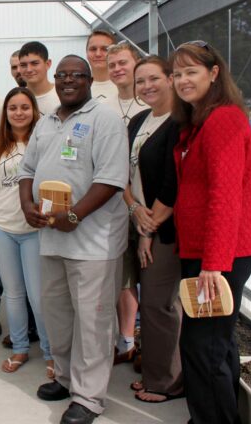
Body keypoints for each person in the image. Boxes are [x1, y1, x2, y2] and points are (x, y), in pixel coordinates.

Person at [19, 55, 128, 424]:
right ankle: (65, 379)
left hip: (94, 243)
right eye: (61, 75)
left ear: (89, 80)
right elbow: (27, 170)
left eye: (75, 75)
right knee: (59, 316)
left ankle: (89, 398)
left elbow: (112, 180)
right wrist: (27, 205)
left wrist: (76, 215)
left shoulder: (105, 119)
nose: (67, 81)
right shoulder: (46, 121)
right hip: (52, 237)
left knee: (93, 323)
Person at [171, 41, 251, 424]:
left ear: (214, 73)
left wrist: (214, 264)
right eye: (177, 73)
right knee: (215, 346)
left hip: (218, 257)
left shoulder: (223, 119)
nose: (182, 80)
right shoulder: (199, 121)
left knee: (202, 347)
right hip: (206, 252)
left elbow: (225, 194)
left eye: (191, 72)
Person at [0, 87, 54, 376]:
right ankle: (20, 347)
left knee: (38, 296)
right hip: (3, 230)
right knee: (13, 294)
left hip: (34, 232)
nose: (19, 113)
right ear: (5, 113)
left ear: (34, 111)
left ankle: (50, 353)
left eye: (24, 107)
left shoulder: (44, 145)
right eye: (13, 108)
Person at [122, 56, 183, 403]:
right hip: (140, 220)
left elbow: (175, 183)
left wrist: (149, 228)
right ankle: (154, 373)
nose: (146, 86)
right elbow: (123, 174)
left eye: (153, 79)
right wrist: (133, 209)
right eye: (140, 81)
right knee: (151, 305)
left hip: (164, 228)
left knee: (160, 304)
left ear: (170, 78)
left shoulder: (179, 122)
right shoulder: (139, 120)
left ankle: (167, 381)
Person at [106, 40, 150, 366]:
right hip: (118, 206)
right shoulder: (105, 105)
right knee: (124, 279)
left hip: (150, 209)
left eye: (123, 63)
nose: (118, 69)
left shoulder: (150, 106)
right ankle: (127, 341)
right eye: (112, 65)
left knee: (152, 279)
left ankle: (151, 343)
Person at [18, 41, 60, 117]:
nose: (29, 70)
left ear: (47, 64)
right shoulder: (17, 98)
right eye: (23, 65)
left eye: (35, 63)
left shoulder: (61, 95)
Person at [85, 30, 118, 103]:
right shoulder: (79, 87)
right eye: (93, 49)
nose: (98, 54)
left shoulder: (124, 85)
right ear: (86, 53)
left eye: (105, 49)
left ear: (114, 52)